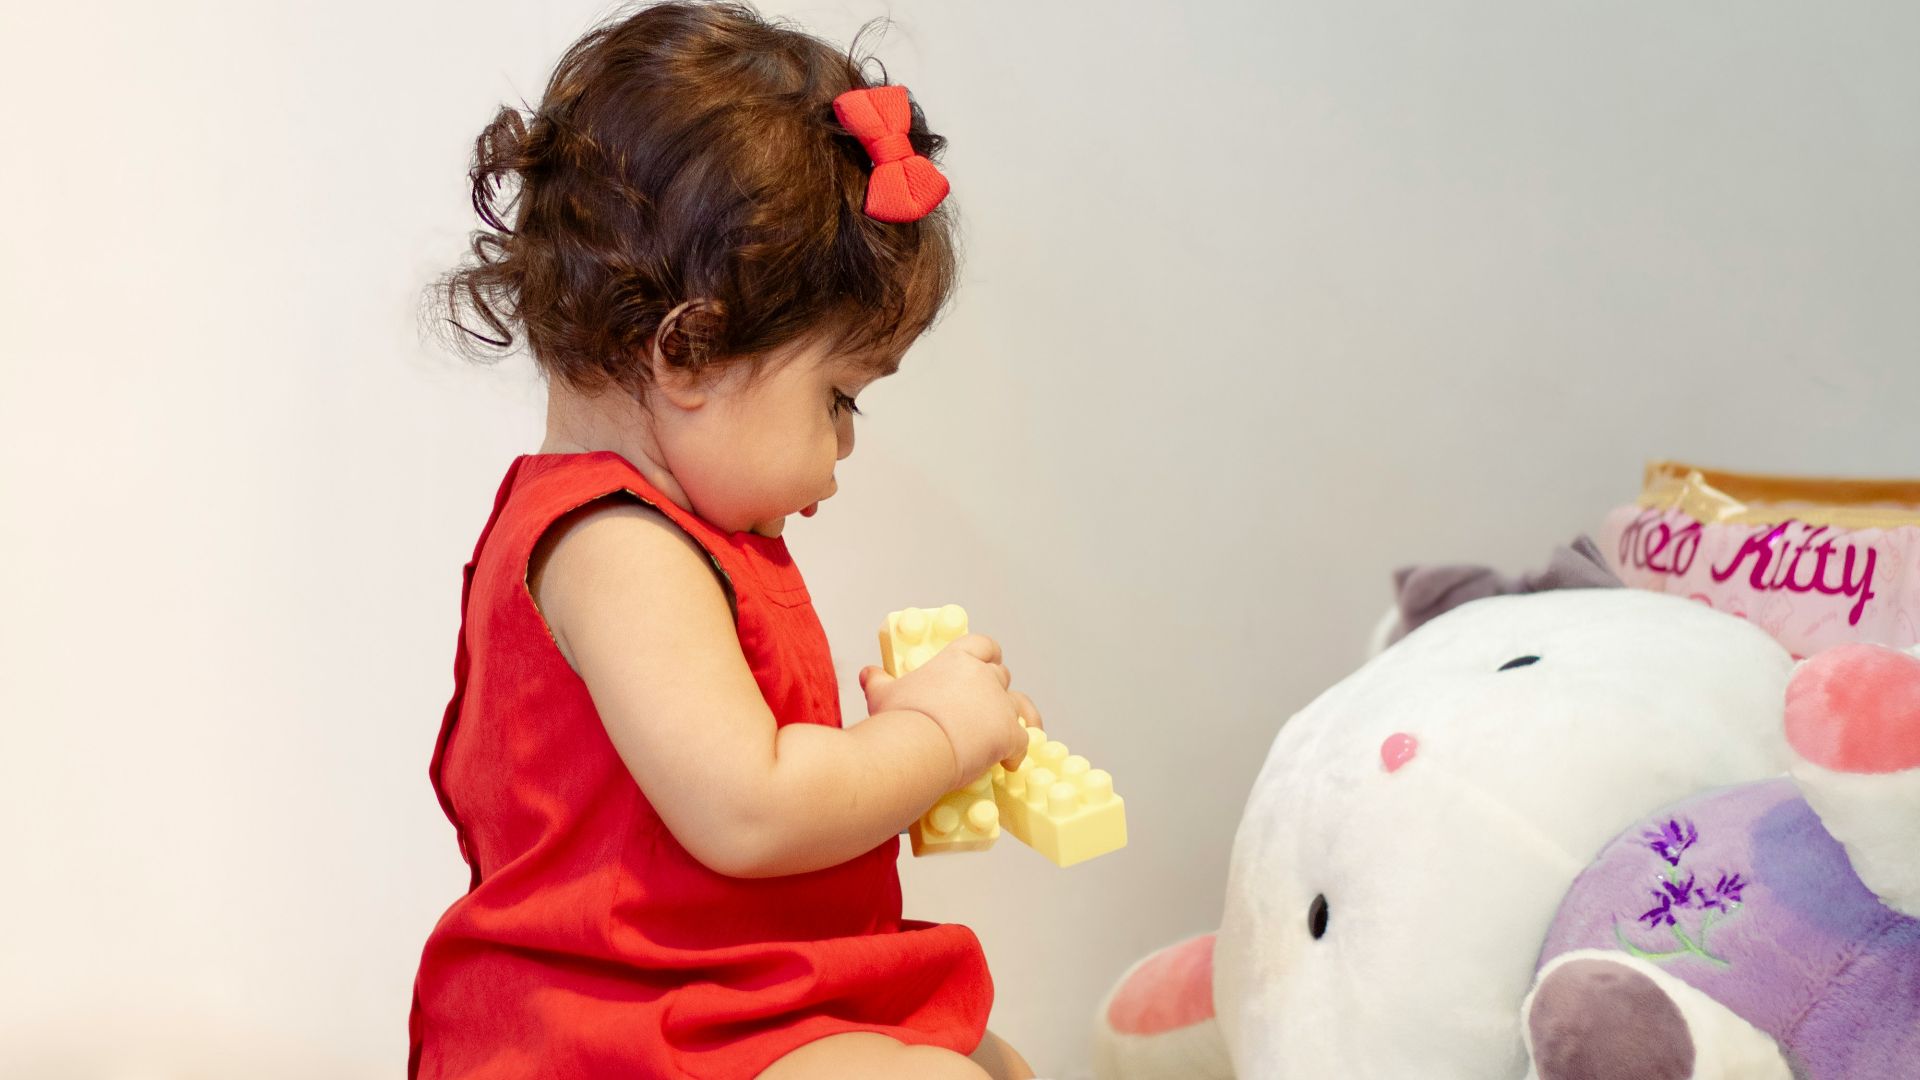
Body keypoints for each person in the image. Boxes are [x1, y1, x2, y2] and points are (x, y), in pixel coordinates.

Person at [408, 4, 1042, 1077]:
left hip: (730, 995)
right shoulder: (614, 546)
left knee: (992, 1061)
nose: (842, 449)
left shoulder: (681, 533)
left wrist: (903, 751)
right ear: (690, 352)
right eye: (840, 398)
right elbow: (749, 810)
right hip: (609, 1022)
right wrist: (931, 739)